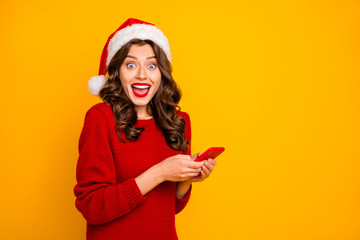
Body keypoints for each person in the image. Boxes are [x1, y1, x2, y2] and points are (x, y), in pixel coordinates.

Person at [74, 18, 217, 240]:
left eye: (151, 65)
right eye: (130, 65)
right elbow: (92, 207)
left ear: (162, 72)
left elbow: (170, 209)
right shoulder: (100, 118)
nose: (142, 74)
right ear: (117, 72)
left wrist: (187, 176)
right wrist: (159, 172)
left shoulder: (178, 122)